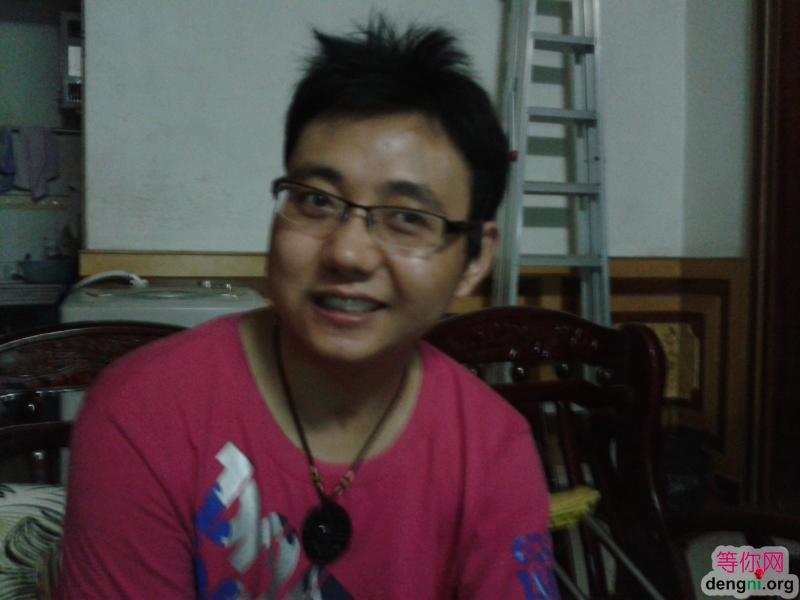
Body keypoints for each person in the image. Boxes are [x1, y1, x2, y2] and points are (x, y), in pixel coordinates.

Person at [57, 16, 556, 599]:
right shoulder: (145, 415)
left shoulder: (493, 449)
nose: (347, 253)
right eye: (316, 201)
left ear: (474, 259)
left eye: (407, 218)